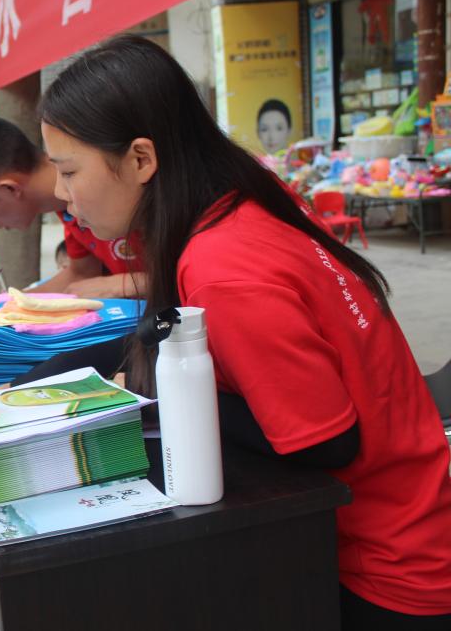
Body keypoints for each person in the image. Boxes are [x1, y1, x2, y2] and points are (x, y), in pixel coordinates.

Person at [36, 34, 451, 629]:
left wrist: (152, 391)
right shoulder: (233, 203)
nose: (62, 194)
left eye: (69, 170)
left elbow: (325, 443)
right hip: (401, 525)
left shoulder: (222, 267)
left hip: (389, 569)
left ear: (140, 160)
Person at [0, 114, 145, 298]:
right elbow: (83, 272)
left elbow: (175, 271)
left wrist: (121, 284)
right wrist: (13, 303)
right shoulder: (66, 209)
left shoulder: (119, 192)